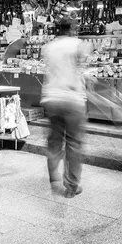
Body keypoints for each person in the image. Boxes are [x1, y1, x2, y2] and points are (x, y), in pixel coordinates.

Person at [40, 18, 91, 198]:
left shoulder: (48, 47)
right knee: (74, 143)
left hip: (52, 98)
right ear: (72, 29)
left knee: (54, 141)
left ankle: (53, 177)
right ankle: (71, 186)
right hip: (72, 99)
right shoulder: (78, 45)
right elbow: (82, 69)